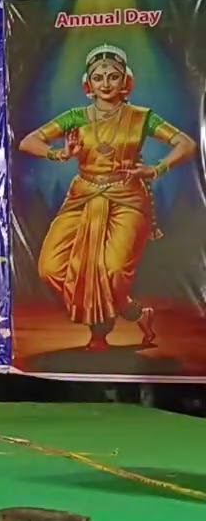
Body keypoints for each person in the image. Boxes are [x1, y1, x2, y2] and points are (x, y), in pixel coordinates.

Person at [18, 44, 197, 351]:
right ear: (88, 83)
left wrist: (156, 169)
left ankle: (99, 334)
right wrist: (60, 153)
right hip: (83, 195)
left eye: (113, 76)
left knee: (111, 271)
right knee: (50, 267)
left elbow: (186, 142)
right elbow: (27, 141)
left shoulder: (142, 118)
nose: (105, 83)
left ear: (125, 81)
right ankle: (135, 312)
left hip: (127, 198)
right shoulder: (75, 117)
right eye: (98, 76)